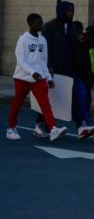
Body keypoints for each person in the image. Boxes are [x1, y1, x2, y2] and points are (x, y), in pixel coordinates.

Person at [7, 13, 66, 141]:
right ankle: (11, 128)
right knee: (17, 103)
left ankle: (53, 129)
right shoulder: (23, 39)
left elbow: (43, 62)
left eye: (41, 22)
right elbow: (21, 60)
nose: (41, 24)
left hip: (38, 78)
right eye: (39, 22)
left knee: (45, 103)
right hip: (22, 78)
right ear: (31, 24)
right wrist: (32, 72)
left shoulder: (43, 40)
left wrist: (49, 79)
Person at [38, 1, 77, 136]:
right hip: (52, 69)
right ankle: (40, 125)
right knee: (47, 98)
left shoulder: (72, 28)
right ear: (61, 11)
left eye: (72, 11)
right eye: (68, 11)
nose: (70, 13)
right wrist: (48, 66)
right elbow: (44, 48)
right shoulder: (49, 27)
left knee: (63, 98)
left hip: (67, 69)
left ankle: (80, 125)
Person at [71, 21, 94, 139]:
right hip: (82, 75)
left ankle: (83, 123)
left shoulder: (86, 40)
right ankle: (83, 123)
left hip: (82, 75)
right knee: (82, 99)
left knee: (83, 98)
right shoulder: (79, 41)